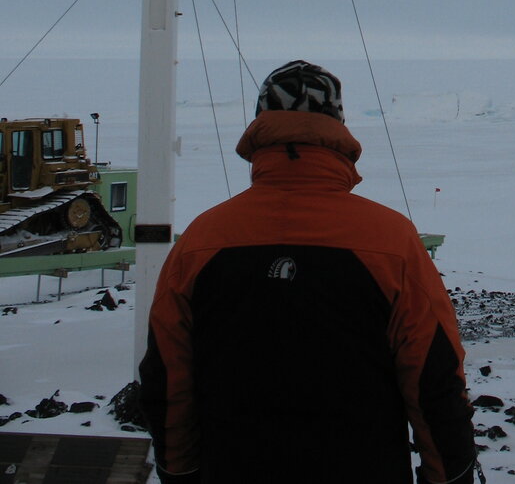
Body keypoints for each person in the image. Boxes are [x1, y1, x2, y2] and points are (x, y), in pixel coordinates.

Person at [140, 59, 477, 483]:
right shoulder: (393, 241)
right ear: (337, 125)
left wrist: (180, 471)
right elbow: (434, 376)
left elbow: (167, 376)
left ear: (261, 125)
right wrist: (450, 474)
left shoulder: (201, 240)